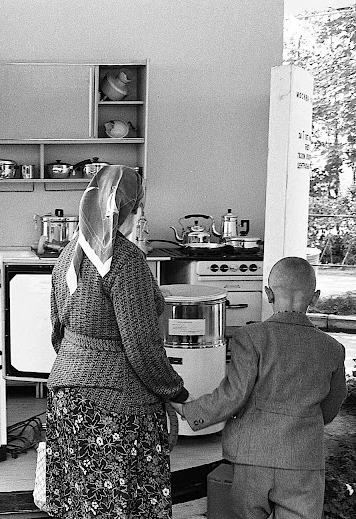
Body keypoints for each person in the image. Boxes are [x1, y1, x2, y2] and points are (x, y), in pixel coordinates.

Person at [46, 165, 190, 519]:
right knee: (122, 501)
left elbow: (57, 329)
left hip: (67, 398)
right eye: (139, 206)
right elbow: (142, 345)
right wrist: (175, 391)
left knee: (79, 500)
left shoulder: (67, 256)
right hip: (115, 405)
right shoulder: (126, 261)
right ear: (129, 209)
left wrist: (79, 363)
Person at [171, 256, 347, 519]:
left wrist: (189, 410)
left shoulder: (251, 338)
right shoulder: (332, 348)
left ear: (267, 293)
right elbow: (333, 404)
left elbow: (233, 395)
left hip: (252, 457)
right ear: (316, 297)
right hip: (303, 459)